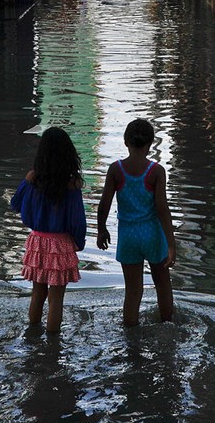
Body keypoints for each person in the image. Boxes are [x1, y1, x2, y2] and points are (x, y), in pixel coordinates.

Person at [96, 119, 177, 326]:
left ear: (125, 142)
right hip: (152, 235)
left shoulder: (116, 170)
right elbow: (162, 208)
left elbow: (104, 203)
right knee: (162, 284)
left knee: (133, 291)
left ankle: (130, 335)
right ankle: (167, 325)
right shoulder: (156, 172)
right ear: (150, 144)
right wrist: (171, 244)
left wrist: (102, 229)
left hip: (128, 237)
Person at [10, 127, 87, 334]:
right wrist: (78, 242)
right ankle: (53, 345)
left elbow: (15, 204)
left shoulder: (33, 178)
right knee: (56, 299)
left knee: (38, 293)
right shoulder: (72, 184)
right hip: (60, 245)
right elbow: (77, 220)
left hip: (37, 243)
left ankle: (32, 333)